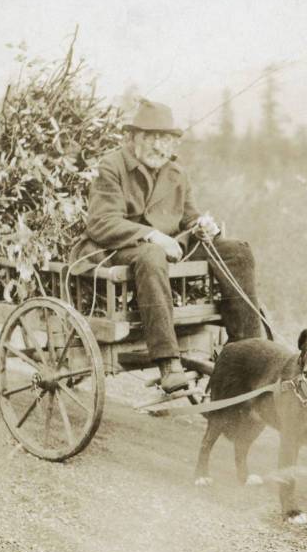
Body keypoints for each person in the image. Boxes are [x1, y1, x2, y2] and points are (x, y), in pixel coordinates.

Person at [73, 100, 265, 392]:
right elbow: (101, 223)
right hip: (120, 248)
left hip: (169, 249)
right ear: (134, 137)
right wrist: (151, 235)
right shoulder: (112, 167)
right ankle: (167, 362)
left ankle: (249, 351)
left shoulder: (176, 173)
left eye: (165, 138)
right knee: (152, 255)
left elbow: (187, 217)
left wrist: (202, 225)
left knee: (237, 250)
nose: (159, 146)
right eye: (151, 137)